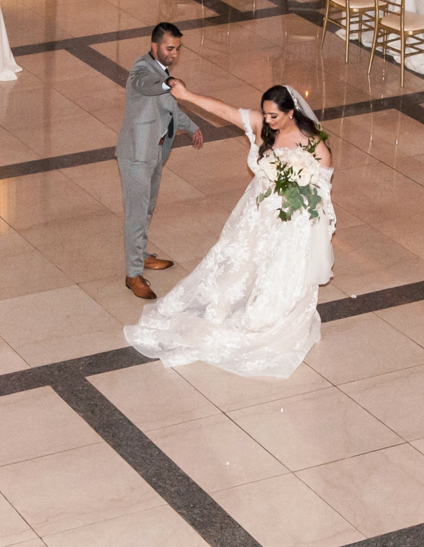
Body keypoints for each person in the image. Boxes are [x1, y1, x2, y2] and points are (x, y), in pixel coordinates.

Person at [125, 81, 335, 378]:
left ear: (291, 113)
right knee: (237, 262)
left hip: (292, 219)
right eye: (266, 114)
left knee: (279, 272)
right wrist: (186, 94)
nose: (268, 120)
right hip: (257, 211)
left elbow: (322, 189)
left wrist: (298, 201)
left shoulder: (313, 142)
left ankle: (271, 314)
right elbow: (223, 110)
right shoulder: (264, 125)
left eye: (274, 115)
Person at [118, 23, 204, 300]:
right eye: (169, 48)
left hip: (155, 152)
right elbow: (147, 86)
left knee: (147, 207)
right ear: (154, 46)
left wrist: (192, 127)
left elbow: (170, 109)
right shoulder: (142, 69)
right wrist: (169, 83)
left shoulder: (163, 73)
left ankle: (142, 256)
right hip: (137, 154)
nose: (174, 54)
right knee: (136, 212)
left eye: (178, 49)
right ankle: (133, 274)